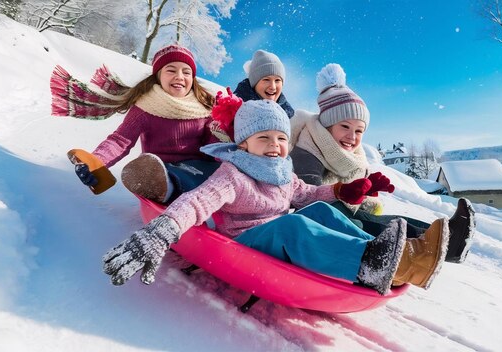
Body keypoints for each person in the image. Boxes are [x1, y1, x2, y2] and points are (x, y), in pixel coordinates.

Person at [102, 98, 459, 295]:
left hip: (274, 232)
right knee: (293, 227)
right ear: (243, 144)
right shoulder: (233, 173)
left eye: (281, 139)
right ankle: (371, 263)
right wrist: (162, 230)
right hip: (244, 241)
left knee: (320, 210)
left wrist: (339, 190)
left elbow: (305, 193)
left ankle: (396, 256)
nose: (275, 147)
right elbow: (198, 202)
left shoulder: (282, 172)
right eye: (264, 139)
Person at [289, 63, 475, 263]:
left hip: (335, 211)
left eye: (359, 130)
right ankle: (434, 247)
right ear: (327, 125)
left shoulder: (349, 153)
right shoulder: (308, 148)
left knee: (377, 219)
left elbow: (350, 194)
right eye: (345, 126)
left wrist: (367, 189)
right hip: (310, 222)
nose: (352, 136)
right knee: (357, 222)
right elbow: (309, 198)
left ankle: (446, 236)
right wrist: (349, 191)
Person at [52, 44, 220, 204]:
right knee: (159, 173)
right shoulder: (146, 106)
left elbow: (214, 144)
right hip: (161, 169)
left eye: (186, 72)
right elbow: (120, 140)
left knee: (212, 172)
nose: (180, 76)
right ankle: (163, 188)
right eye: (171, 70)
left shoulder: (203, 108)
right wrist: (96, 163)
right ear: (158, 76)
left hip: (199, 168)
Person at [233, 49, 294, 117]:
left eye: (277, 80)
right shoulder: (235, 112)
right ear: (254, 83)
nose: (273, 87)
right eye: (266, 79)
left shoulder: (287, 114)